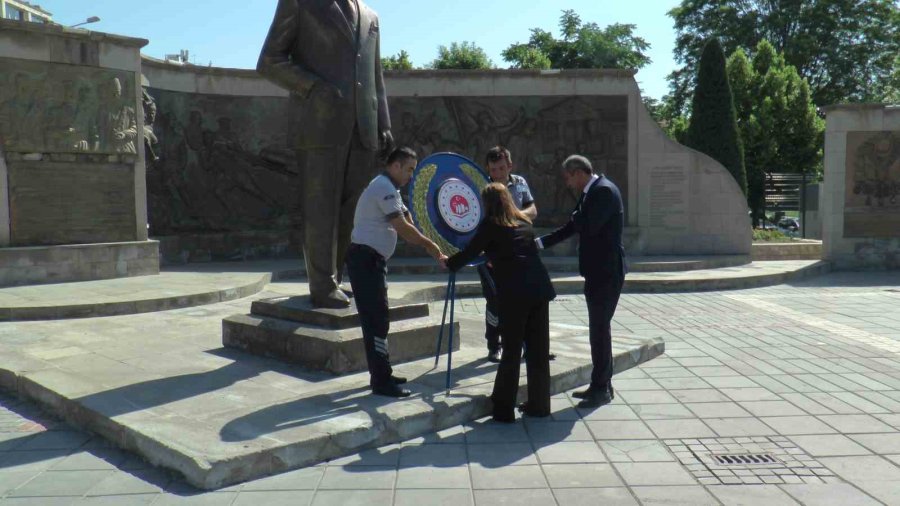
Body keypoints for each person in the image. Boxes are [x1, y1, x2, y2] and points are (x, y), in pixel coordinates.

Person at [258, 0, 393, 309]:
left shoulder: (371, 15)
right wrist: (313, 87)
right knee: (320, 210)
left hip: (363, 126)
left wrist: (383, 122)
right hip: (318, 125)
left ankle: (340, 279)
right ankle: (322, 285)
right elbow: (269, 60)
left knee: (352, 210)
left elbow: (376, 76)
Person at [446, 183, 555, 422]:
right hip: (539, 289)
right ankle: (540, 405)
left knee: (512, 350)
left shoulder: (490, 224)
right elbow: (513, 249)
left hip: (515, 294)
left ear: (487, 204)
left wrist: (449, 263)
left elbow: (472, 252)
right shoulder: (524, 223)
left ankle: (504, 408)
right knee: (538, 350)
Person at [346, 147, 446, 398]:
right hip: (365, 261)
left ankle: (383, 372)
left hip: (371, 261)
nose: (412, 175)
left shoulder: (391, 189)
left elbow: (408, 220)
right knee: (376, 320)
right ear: (396, 166)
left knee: (379, 318)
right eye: (410, 169)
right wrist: (432, 246)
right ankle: (381, 381)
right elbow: (402, 226)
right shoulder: (383, 187)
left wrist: (433, 245)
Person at [537, 155, 626, 409]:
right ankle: (602, 385)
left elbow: (587, 226)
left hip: (606, 273)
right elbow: (573, 225)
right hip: (598, 272)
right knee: (599, 330)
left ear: (577, 172)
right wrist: (540, 243)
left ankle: (601, 387)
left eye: (568, 178)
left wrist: (578, 219)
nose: (567, 184)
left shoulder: (604, 192)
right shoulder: (593, 192)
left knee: (599, 330)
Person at [477, 146, 538, 363]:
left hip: (516, 253)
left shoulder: (519, 183)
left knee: (518, 300)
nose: (498, 174)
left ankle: (521, 342)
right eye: (493, 169)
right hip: (491, 255)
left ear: (510, 166)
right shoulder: (481, 185)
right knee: (494, 300)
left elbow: (532, 209)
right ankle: (494, 344)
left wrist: (516, 215)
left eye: (502, 168)